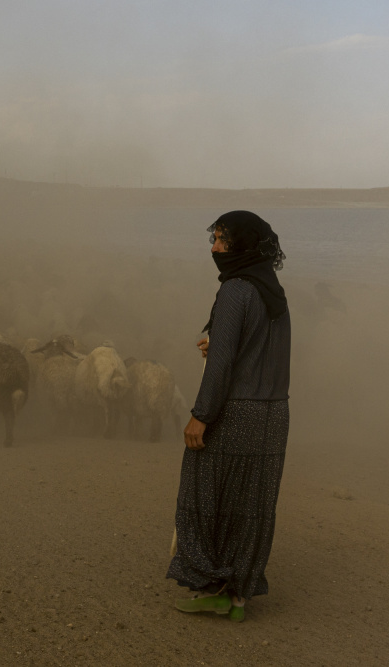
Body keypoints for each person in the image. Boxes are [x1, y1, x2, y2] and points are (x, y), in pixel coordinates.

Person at [167, 210, 290, 623]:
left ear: (242, 246)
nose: (214, 247)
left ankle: (214, 586)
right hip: (272, 416)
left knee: (206, 496)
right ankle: (238, 596)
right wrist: (219, 342)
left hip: (235, 413)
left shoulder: (236, 289)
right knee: (251, 504)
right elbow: (261, 351)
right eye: (214, 238)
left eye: (222, 240)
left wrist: (201, 415)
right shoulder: (272, 290)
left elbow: (221, 367)